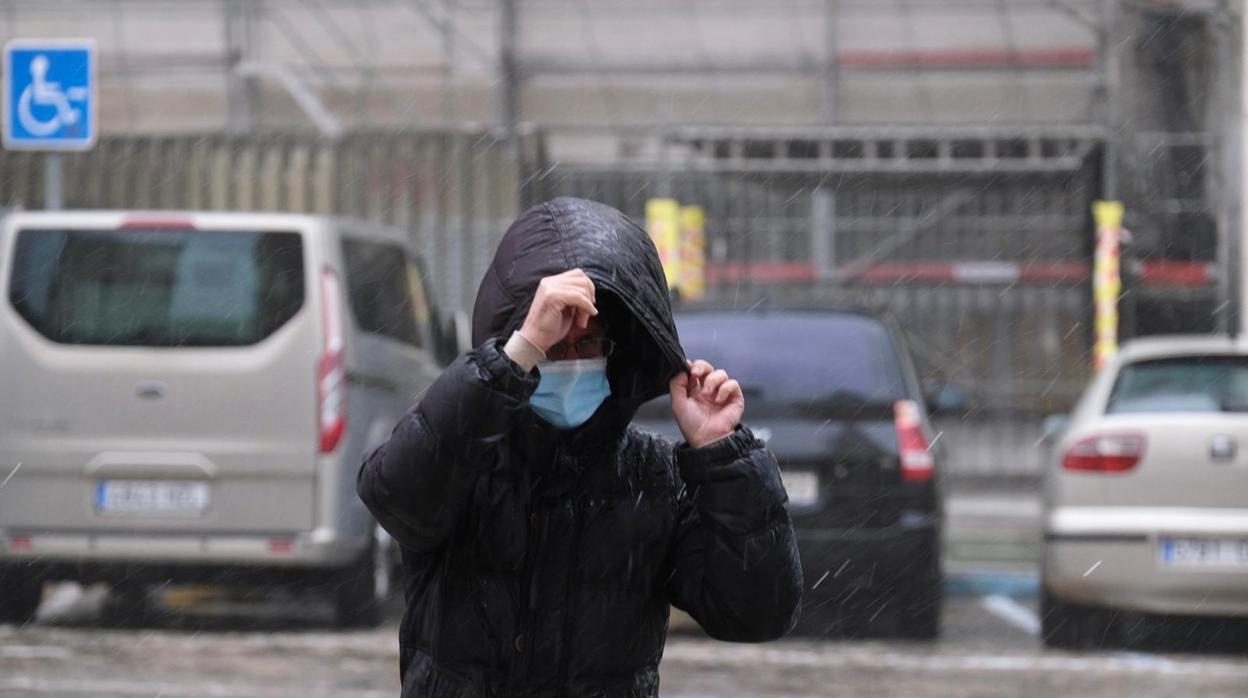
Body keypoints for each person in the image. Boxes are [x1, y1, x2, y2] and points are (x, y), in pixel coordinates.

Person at [357, 197, 802, 698]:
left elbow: (757, 610)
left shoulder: (652, 479)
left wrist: (723, 455)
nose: (571, 360)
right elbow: (395, 497)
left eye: (587, 344)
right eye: (555, 344)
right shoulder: (465, 455)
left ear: (616, 353)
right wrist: (516, 355)